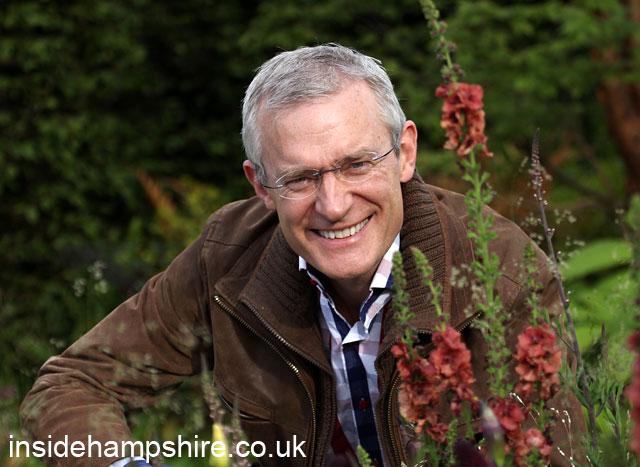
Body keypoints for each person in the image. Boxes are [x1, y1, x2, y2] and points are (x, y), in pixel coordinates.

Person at [21, 43, 583, 467]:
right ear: (260, 186)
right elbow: (71, 383)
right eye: (299, 178)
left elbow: (559, 451)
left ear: (405, 152)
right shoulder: (225, 259)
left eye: (357, 164)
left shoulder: (503, 270)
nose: (333, 205)